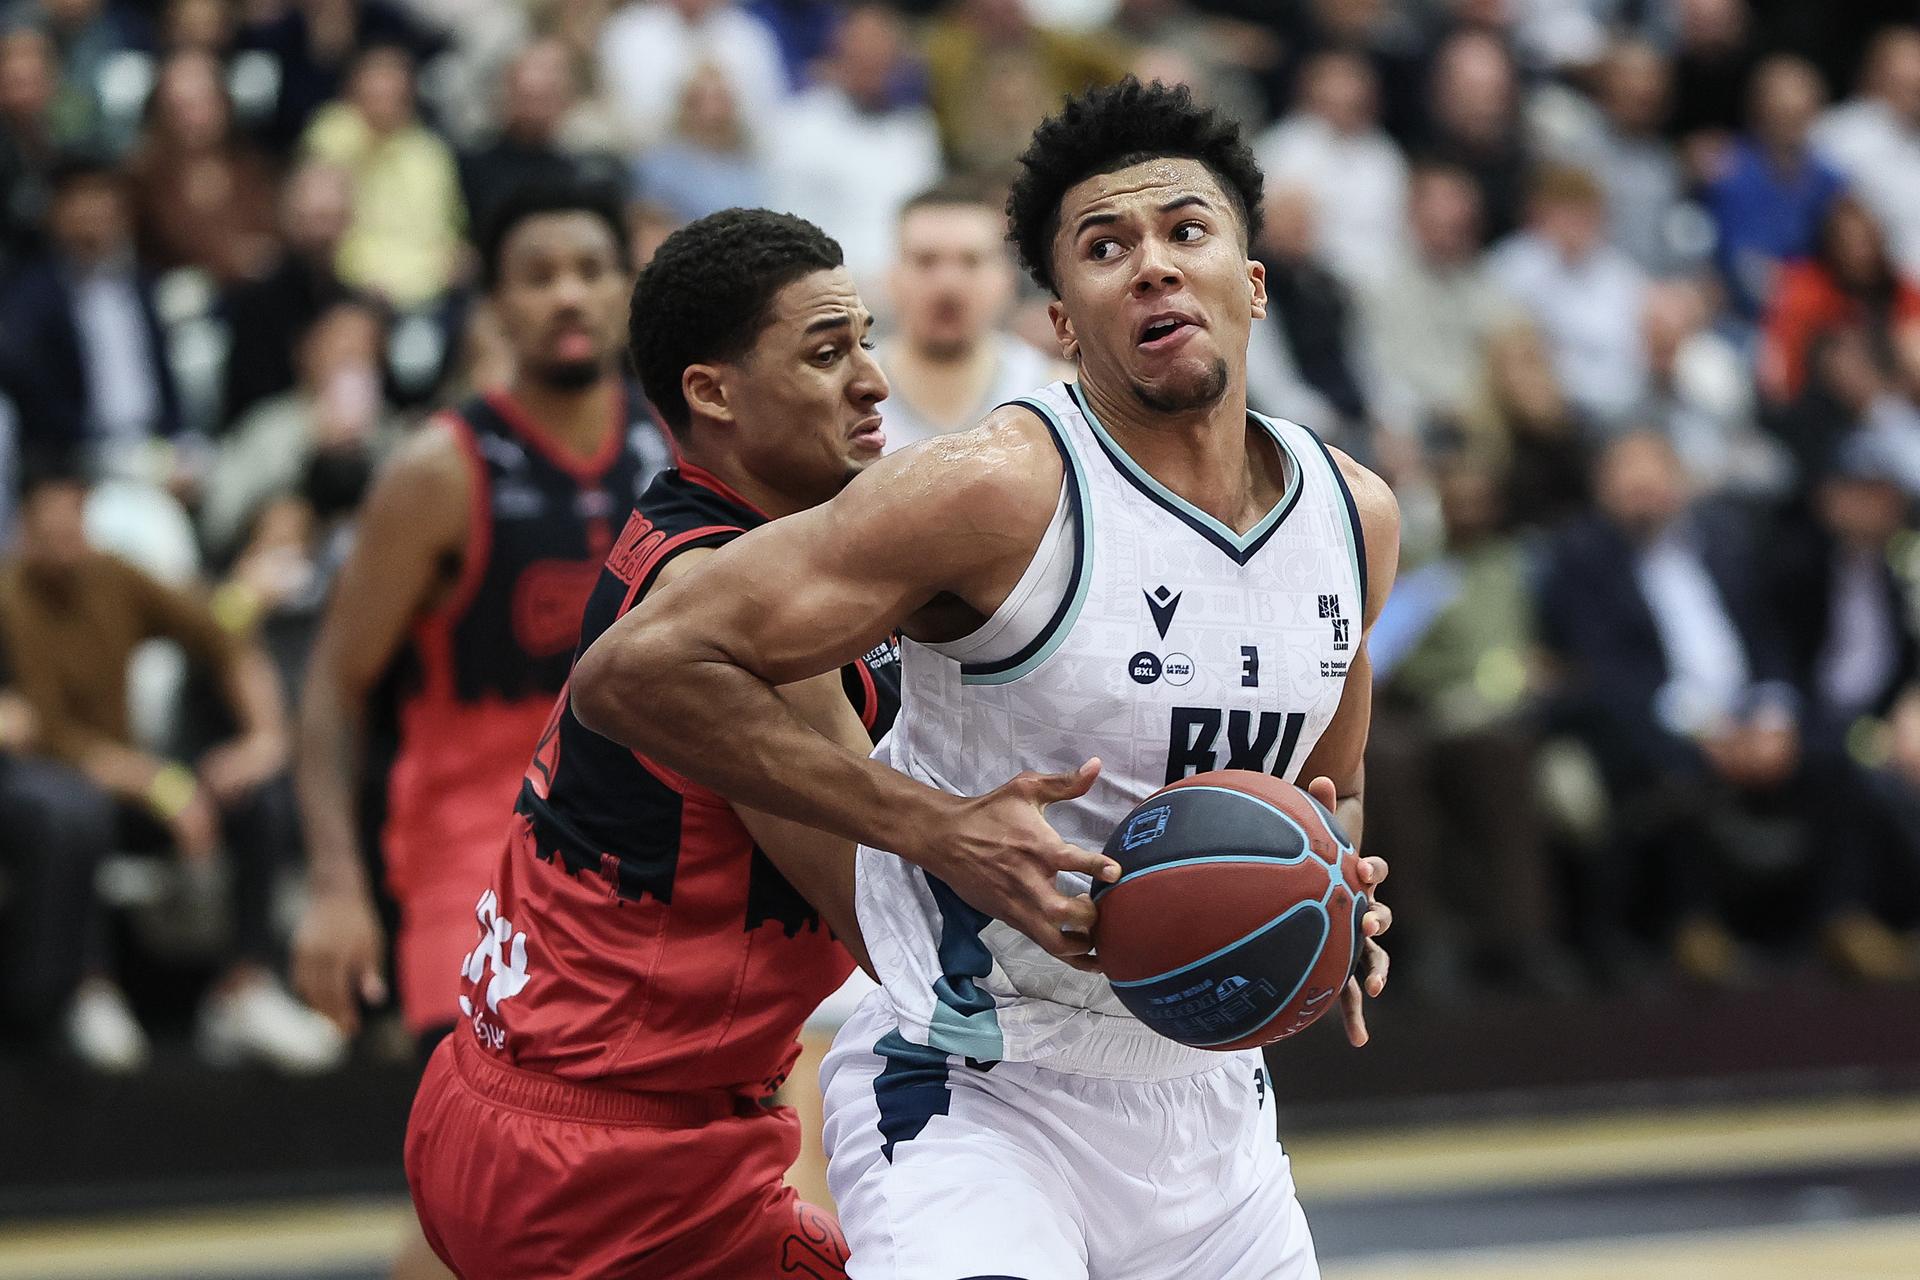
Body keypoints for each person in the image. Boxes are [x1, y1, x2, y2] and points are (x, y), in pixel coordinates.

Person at [571, 80, 1396, 1279]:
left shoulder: (1353, 516)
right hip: (971, 1085)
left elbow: (1334, 788)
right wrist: (939, 827)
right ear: (1063, 321)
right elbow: (635, 669)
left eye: (1187, 230)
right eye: (1106, 248)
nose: (1154, 266)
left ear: (1253, 284)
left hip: (1213, 1113)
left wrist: (1337, 898)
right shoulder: (994, 488)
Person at [403, 204, 898, 1278]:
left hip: (510, 1096)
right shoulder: (742, 610)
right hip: (607, 1164)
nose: (872, 379)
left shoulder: (705, 526)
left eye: (867, 338)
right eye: (827, 352)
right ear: (711, 392)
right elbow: (887, 922)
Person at [290, 178, 670, 1053]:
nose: (567, 293)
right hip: (477, 863)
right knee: (482, 1175)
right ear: (497, 303)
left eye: (589, 269)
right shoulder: (437, 471)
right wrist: (337, 884)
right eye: (538, 275)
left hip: (645, 861)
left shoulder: (678, 445)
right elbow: (331, 686)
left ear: (625, 288)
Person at [0, 455, 343, 1072]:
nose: (65, 540)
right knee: (73, 809)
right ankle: (85, 988)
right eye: (49, 529)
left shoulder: (113, 576)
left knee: (254, 796)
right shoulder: (9, 596)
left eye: (74, 522)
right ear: (24, 526)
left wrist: (265, 738)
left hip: (133, 779)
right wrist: (159, 782)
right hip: (67, 781)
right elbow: (45, 733)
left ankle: (245, 985)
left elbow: (219, 630)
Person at [874, 182, 1062, 452]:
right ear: (891, 276)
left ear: (1007, 279)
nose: (948, 284)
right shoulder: (846, 398)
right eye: (926, 261)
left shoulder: (1054, 397)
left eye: (971, 261)